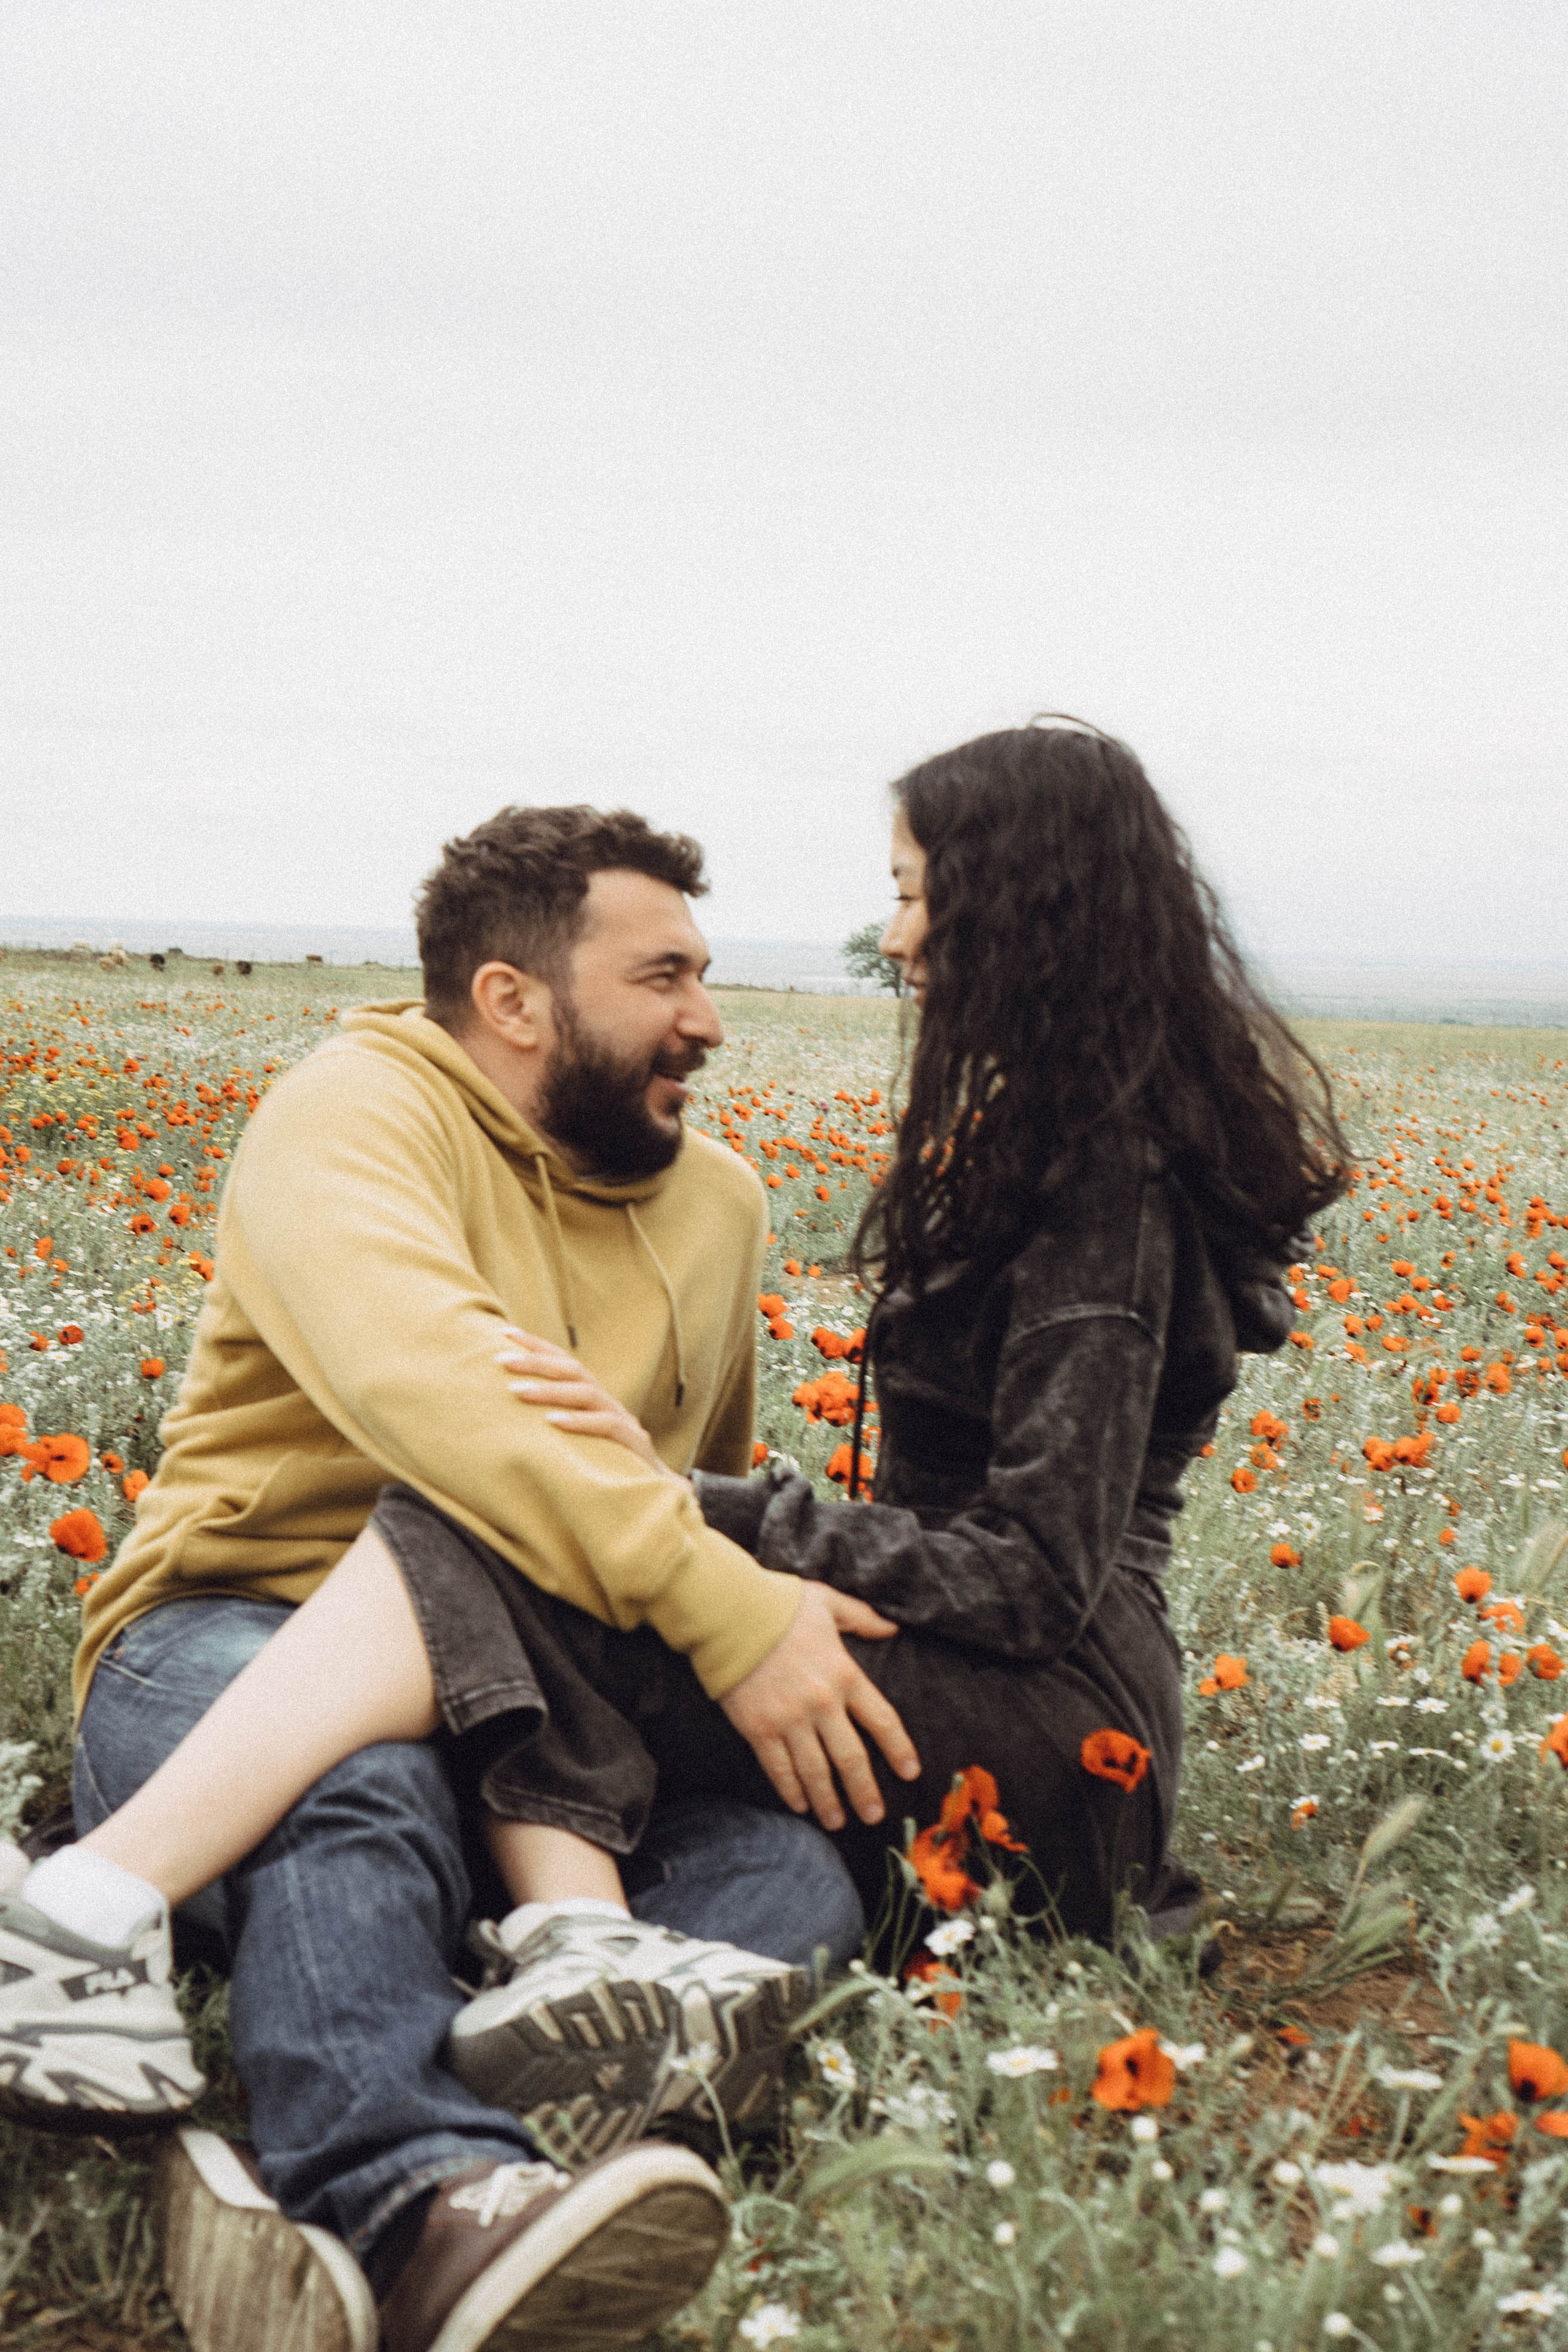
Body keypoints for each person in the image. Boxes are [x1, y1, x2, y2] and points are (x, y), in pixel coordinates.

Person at [0, 804, 911, 2352]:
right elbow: (443, 1402)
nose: (706, 1020)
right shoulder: (352, 1113)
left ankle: (474, 2060)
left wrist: (737, 1601)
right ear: (512, 999)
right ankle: (419, 2199)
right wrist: (723, 1609)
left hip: (540, 1692)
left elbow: (688, 1487)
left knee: (791, 1874)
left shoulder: (721, 1206)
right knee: (365, 1788)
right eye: (662, 977)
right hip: (243, 1641)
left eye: (704, 974)